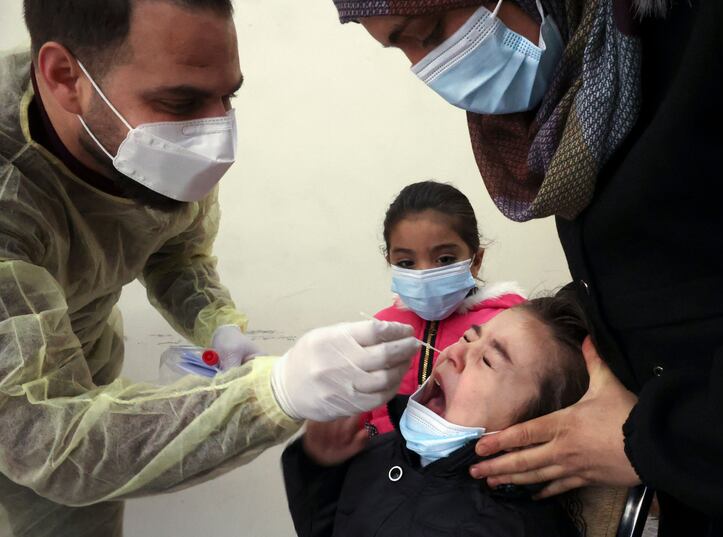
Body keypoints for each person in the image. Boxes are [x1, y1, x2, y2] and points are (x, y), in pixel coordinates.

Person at [330, 0, 723, 535]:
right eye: (401, 48)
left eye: (432, 31)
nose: (429, 67)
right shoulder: (576, 93)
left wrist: (656, 438)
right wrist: (321, 461)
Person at [0, 1, 419, 535]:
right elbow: (49, 440)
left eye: (229, 96)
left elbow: (174, 246)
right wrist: (275, 394)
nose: (215, 135)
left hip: (79, 369)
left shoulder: (139, 135)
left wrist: (214, 320)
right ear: (65, 77)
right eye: (181, 101)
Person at [282, 295, 589, 537]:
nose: (453, 353)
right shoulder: (379, 453)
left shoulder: (511, 528)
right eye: (468, 338)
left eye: (487, 360)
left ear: (535, 431)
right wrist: (320, 467)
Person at [364, 180, 525, 434]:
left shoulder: (510, 327)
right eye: (406, 262)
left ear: (475, 260)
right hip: (387, 466)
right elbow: (361, 412)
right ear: (390, 262)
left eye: (445, 259)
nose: (425, 273)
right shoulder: (380, 330)